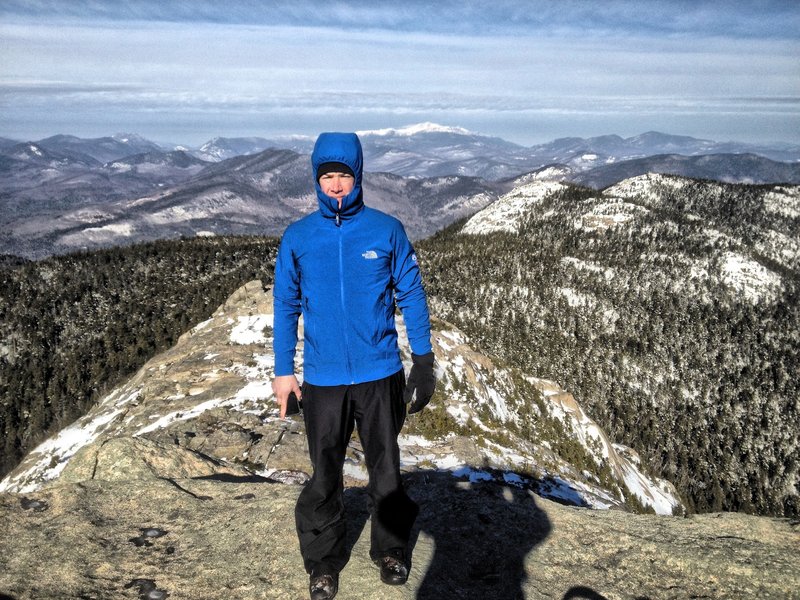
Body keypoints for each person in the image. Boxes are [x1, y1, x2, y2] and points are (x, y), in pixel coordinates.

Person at [271, 131, 436, 600]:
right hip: (323, 378)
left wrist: (423, 361)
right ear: (316, 180)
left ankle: (391, 549)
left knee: (385, 467)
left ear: (358, 175)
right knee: (325, 471)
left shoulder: (386, 230)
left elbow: (412, 295)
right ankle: (324, 562)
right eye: (328, 176)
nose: (336, 185)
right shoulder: (299, 237)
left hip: (380, 370)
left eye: (344, 174)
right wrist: (285, 371)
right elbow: (285, 305)